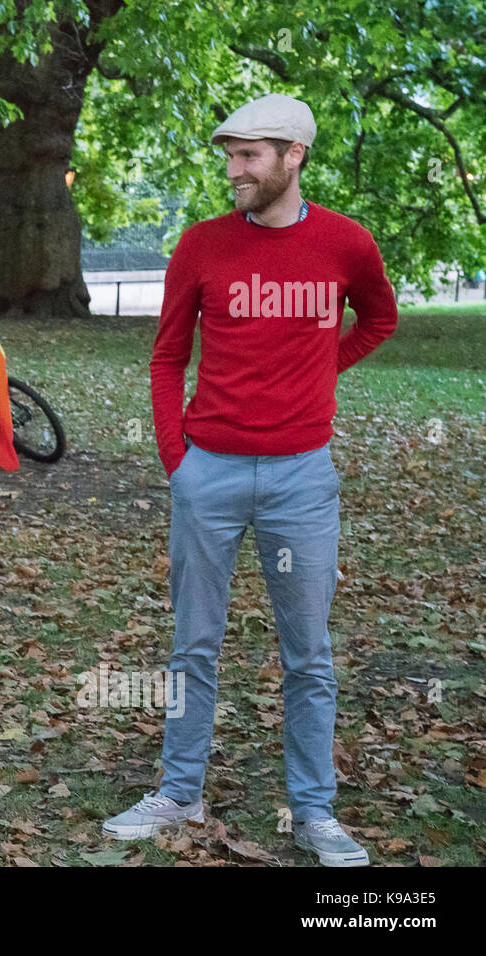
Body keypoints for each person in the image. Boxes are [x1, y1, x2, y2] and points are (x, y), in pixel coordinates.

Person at [102, 94, 398, 866]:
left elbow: (378, 319)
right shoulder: (201, 247)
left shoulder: (347, 244)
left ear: (293, 156)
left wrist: (314, 374)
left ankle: (313, 812)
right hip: (210, 473)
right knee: (192, 643)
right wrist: (178, 460)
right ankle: (178, 789)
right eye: (229, 155)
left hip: (304, 478)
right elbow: (168, 359)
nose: (233, 170)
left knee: (309, 654)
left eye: (249, 156)